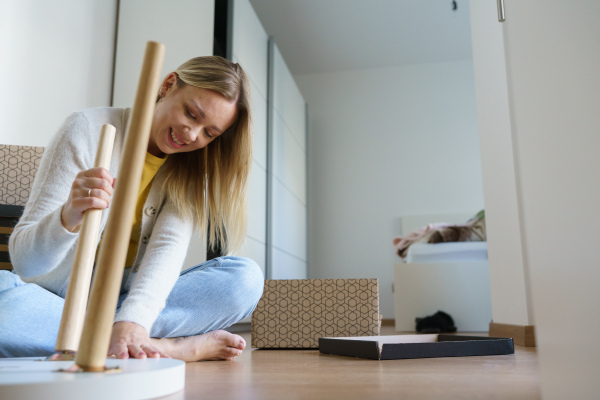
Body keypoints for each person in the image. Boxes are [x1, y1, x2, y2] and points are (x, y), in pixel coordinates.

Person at [0, 56, 264, 362]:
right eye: (191, 114)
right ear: (168, 86)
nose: (192, 135)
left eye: (209, 133)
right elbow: (25, 264)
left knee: (245, 279)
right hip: (53, 298)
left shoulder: (190, 172)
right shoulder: (86, 128)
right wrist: (68, 214)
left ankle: (112, 337)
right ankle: (163, 346)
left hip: (127, 299)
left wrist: (134, 319)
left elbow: (166, 253)